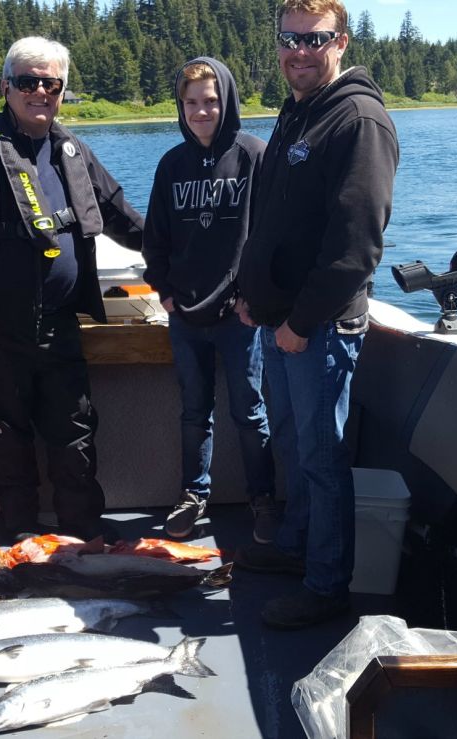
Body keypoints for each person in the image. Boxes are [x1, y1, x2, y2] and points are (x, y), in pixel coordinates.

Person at [0, 36, 144, 542]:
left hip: (58, 323)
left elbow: (120, 215)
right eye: (29, 82)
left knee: (74, 434)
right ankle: (21, 539)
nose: (41, 92)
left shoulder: (71, 148)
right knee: (5, 439)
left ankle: (81, 537)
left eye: (52, 84)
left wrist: (177, 259)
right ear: (6, 87)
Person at [235, 0, 399, 629]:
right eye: (289, 38)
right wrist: (254, 296)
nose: (298, 51)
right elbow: (275, 221)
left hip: (318, 329)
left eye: (314, 39)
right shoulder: (295, 113)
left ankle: (327, 587)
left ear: (341, 42)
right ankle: (299, 549)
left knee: (323, 459)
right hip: (278, 323)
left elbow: (356, 247)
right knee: (298, 448)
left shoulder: (359, 120)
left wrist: (300, 325)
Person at [142, 58, 276, 542]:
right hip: (186, 314)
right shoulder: (171, 164)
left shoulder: (255, 155)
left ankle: (262, 497)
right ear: (181, 107)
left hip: (241, 315)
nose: (202, 112)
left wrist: (252, 298)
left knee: (250, 410)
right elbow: (154, 239)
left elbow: (268, 235)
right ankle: (193, 495)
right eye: (192, 103)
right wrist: (166, 293)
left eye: (211, 101)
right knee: (194, 410)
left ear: (227, 101)